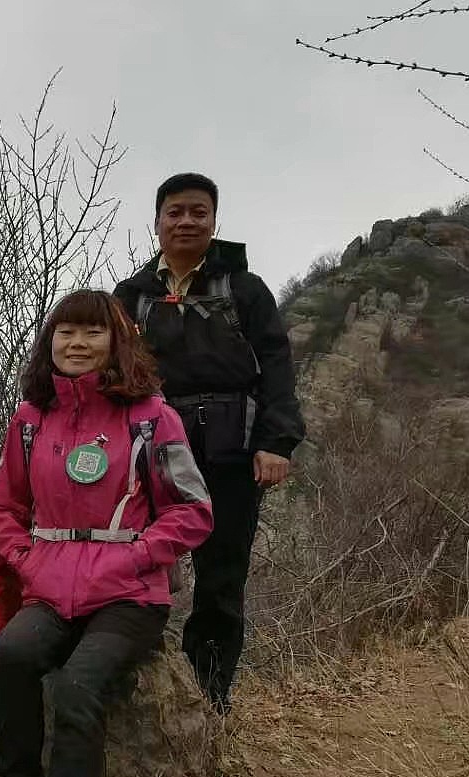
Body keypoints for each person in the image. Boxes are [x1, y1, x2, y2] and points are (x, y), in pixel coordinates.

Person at [0, 290, 213, 777]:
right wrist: (25, 560)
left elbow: (194, 510)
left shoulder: (152, 418)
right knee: (14, 657)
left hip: (130, 595)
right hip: (50, 587)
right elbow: (6, 507)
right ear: (49, 342)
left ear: (117, 341)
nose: (77, 344)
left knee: (78, 684)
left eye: (92, 332)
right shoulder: (31, 420)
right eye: (66, 332)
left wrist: (136, 557)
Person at [114, 173, 306, 712]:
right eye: (175, 212)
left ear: (214, 221)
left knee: (221, 577)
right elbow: (111, 373)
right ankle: (137, 688)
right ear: (156, 223)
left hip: (233, 452)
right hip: (151, 453)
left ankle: (208, 700)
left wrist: (277, 442)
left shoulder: (245, 289)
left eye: (198, 212)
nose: (186, 221)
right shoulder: (132, 297)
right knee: (137, 565)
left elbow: (277, 367)